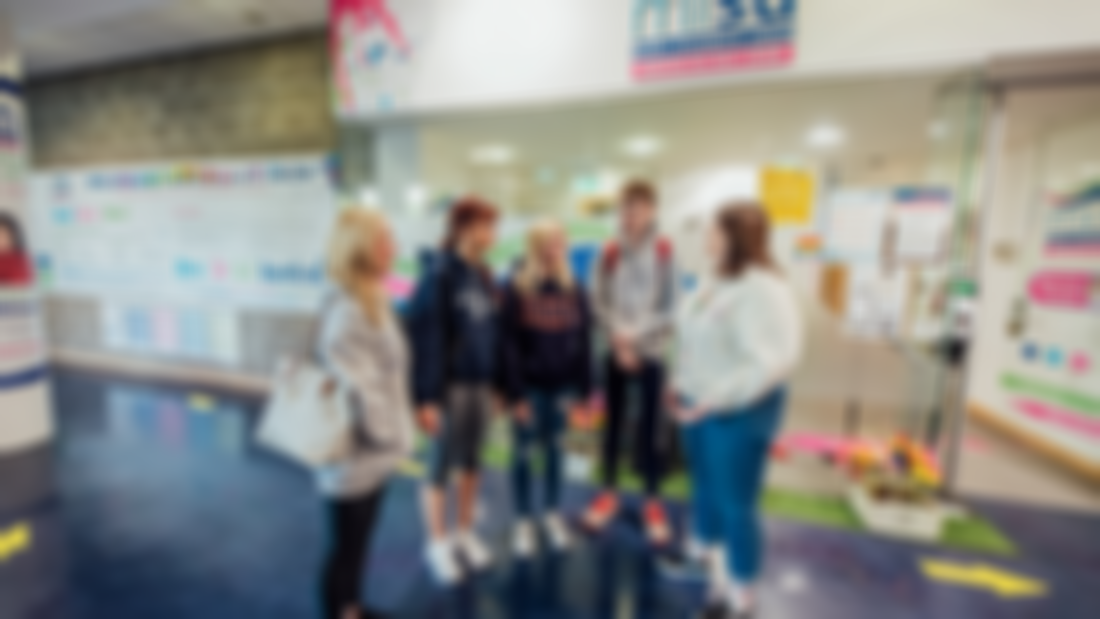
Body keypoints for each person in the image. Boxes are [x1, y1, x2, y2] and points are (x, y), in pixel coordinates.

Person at [667, 203, 803, 619]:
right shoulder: (713, 280)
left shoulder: (763, 288)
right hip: (698, 402)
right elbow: (691, 337)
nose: (705, 236)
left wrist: (717, 397)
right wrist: (679, 382)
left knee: (737, 503)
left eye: (712, 230)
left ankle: (741, 596)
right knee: (706, 486)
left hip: (741, 409)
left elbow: (773, 361)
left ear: (735, 237)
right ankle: (709, 566)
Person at [316, 207, 417, 619]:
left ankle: (352, 608)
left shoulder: (371, 297)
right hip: (355, 454)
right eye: (385, 239)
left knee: (357, 544)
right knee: (345, 547)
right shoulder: (348, 311)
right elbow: (360, 392)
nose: (393, 248)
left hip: (372, 452)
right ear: (361, 247)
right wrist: (394, 434)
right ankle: (339, 610)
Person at [407, 197, 501, 585]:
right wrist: (426, 397)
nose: (492, 234)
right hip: (449, 388)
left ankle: (464, 533)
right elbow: (427, 337)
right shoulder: (440, 273)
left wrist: (496, 385)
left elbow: (489, 334)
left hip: (480, 385)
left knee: (472, 464)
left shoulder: (481, 275)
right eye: (486, 225)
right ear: (463, 228)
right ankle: (437, 543)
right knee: (439, 467)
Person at [583, 180, 677, 546]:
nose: (629, 215)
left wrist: (637, 339)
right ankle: (608, 491)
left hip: (651, 352)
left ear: (651, 211)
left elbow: (672, 305)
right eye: (624, 208)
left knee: (652, 429)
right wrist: (616, 338)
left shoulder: (666, 250)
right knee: (613, 425)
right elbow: (596, 299)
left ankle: (653, 501)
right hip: (615, 350)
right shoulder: (608, 250)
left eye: (637, 208)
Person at [499, 219, 594, 559]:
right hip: (530, 389)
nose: (556, 249)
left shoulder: (576, 289)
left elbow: (585, 341)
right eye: (550, 243)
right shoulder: (518, 287)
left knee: (556, 453)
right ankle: (524, 519)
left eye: (560, 242)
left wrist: (585, 390)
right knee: (524, 454)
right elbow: (507, 344)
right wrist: (516, 393)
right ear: (536, 246)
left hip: (563, 389)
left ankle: (551, 513)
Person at [0, 212, 33, 287]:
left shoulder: (19, 259)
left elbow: (21, 284)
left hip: (14, 297)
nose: (1, 241)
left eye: (4, 236)